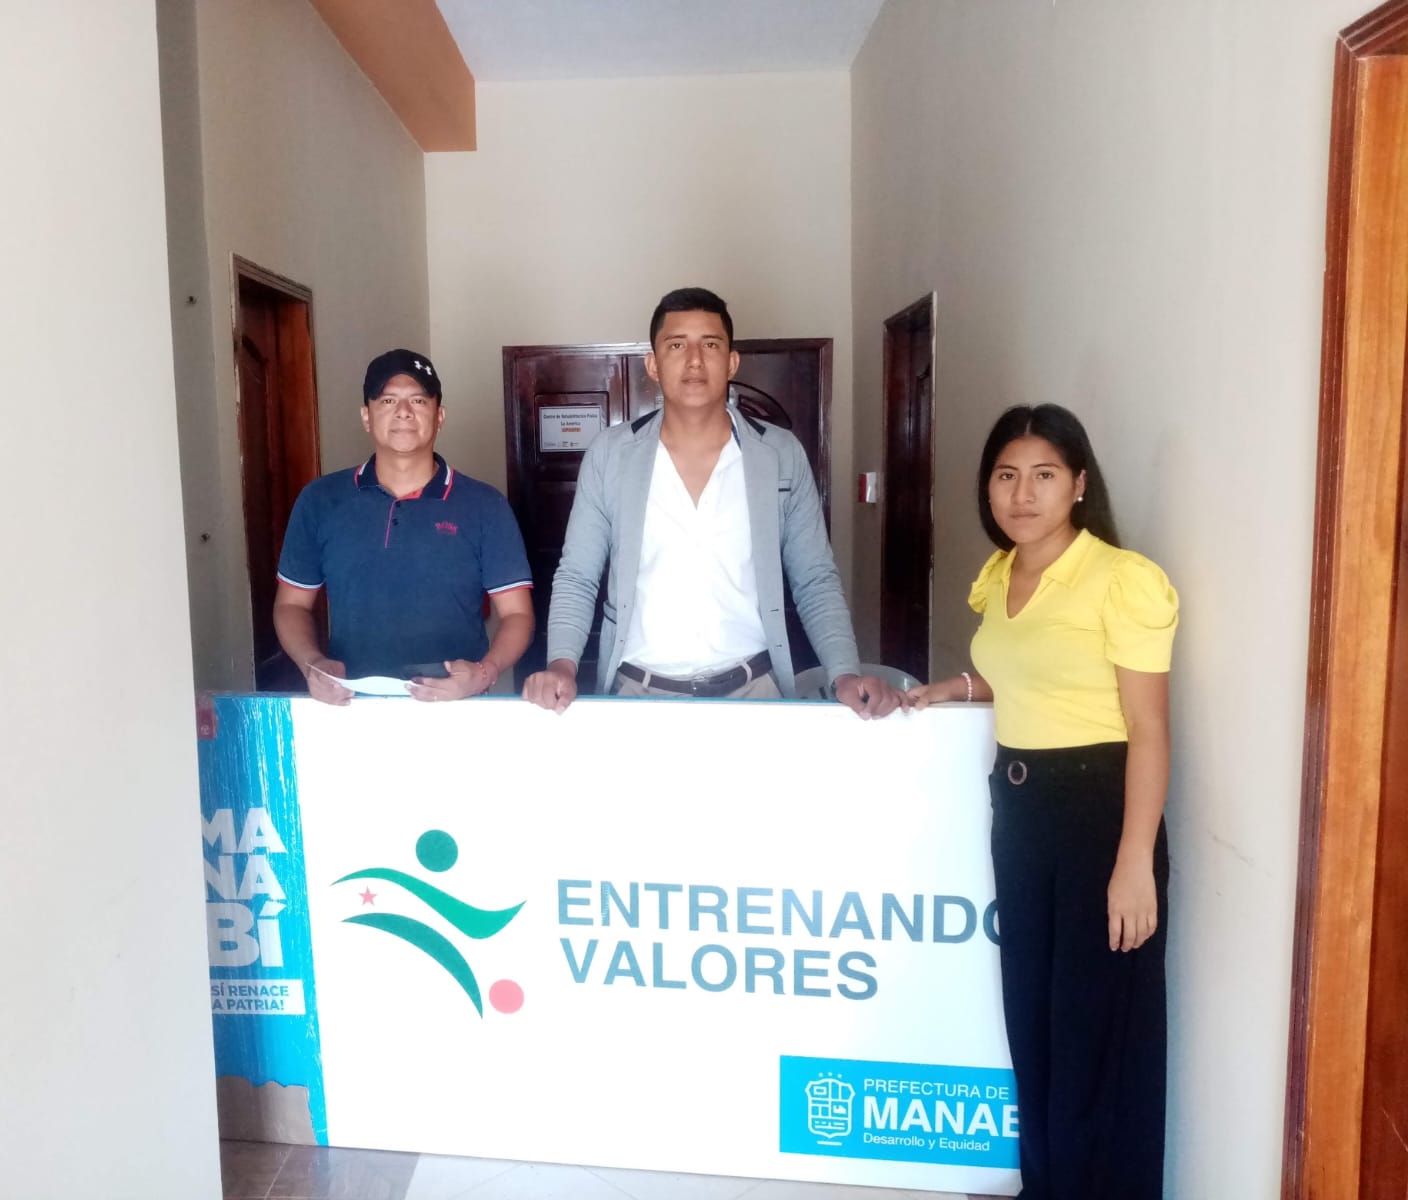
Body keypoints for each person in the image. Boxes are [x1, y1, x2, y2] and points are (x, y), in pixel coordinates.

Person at [905, 404, 1177, 1199]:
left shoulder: (1121, 580)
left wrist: (1134, 862)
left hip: (1100, 816)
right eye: (1006, 476)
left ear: (1079, 484)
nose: (1022, 494)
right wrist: (953, 689)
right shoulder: (1003, 575)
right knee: (1034, 1023)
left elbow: (1149, 728)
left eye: (1044, 475)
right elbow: (1022, 674)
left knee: (1092, 1035)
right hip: (1022, 816)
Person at [522, 287, 899, 716]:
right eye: (676, 345)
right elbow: (577, 575)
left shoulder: (779, 454)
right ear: (653, 364)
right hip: (638, 695)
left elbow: (814, 578)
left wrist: (844, 673)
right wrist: (562, 664)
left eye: (711, 344)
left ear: (732, 362)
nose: (695, 360)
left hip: (755, 693)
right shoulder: (611, 455)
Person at [273, 349, 534, 704]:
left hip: (455, 706)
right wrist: (312, 664)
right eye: (388, 400)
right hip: (351, 704)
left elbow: (517, 614)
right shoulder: (321, 501)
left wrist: (483, 673)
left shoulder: (485, 506)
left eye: (418, 400)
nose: (404, 411)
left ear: (439, 416)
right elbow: (291, 605)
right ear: (366, 416)